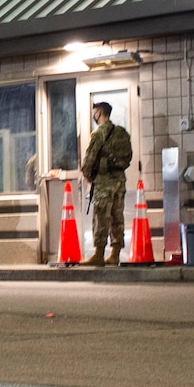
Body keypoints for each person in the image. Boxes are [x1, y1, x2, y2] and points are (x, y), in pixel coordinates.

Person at [80, 101, 132, 267]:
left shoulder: (99, 133)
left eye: (95, 112)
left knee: (101, 217)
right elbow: (128, 157)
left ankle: (99, 254)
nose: (94, 115)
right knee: (118, 217)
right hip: (119, 181)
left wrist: (88, 175)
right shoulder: (121, 132)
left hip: (103, 182)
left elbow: (89, 158)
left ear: (100, 113)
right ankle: (115, 254)